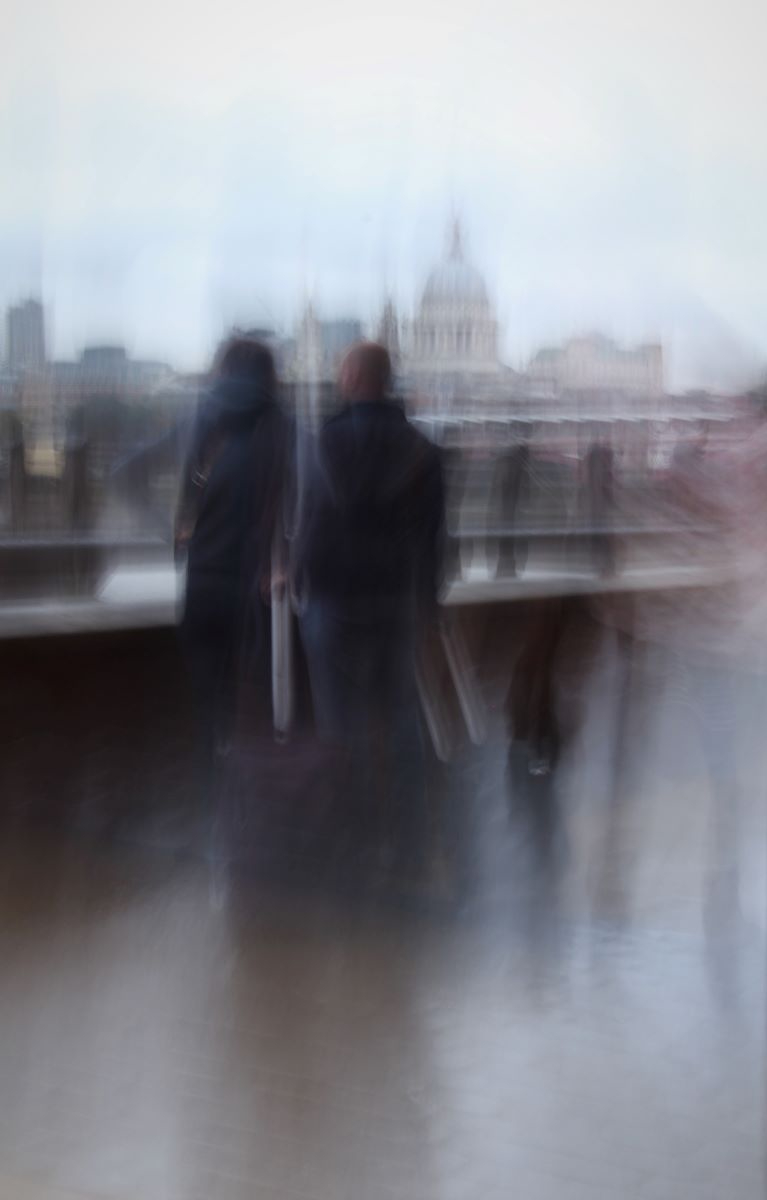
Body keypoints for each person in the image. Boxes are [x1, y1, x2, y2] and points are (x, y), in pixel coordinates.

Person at [294, 342, 445, 875]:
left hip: (335, 600)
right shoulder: (424, 449)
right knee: (403, 722)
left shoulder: (322, 444)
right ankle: (409, 840)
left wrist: (298, 580)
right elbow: (431, 543)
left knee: (340, 726)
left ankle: (352, 834)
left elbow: (309, 524)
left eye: (340, 368)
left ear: (355, 376)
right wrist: (426, 609)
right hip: (397, 602)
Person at [176, 336, 289, 768]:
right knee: (255, 701)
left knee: (209, 698)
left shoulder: (205, 426)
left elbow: (128, 471)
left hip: (205, 579)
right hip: (257, 587)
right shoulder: (286, 430)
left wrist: (177, 529)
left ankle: (213, 784)